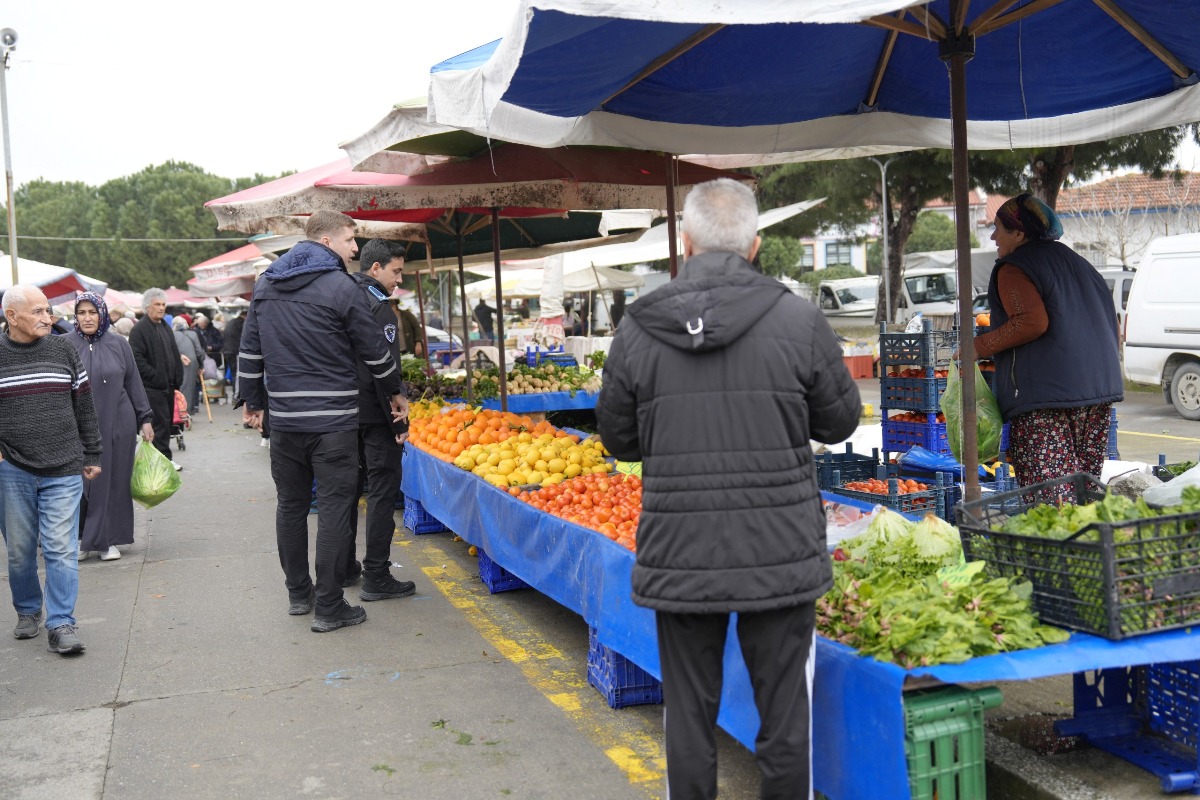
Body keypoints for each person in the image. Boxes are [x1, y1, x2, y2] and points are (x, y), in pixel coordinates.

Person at [595, 178, 861, 800]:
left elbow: (620, 440)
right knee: (785, 720)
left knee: (687, 715)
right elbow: (839, 421)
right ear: (756, 244)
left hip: (680, 549)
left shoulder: (637, 327)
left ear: (684, 243)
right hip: (780, 550)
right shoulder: (798, 317)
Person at [238, 211, 407, 634]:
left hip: (284, 422)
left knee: (291, 507)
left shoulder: (267, 285)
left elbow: (250, 349)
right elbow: (373, 350)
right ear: (327, 241)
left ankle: (299, 594)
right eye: (351, 240)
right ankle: (330, 606)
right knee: (334, 509)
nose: (355, 248)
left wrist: (253, 401)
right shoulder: (340, 286)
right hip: (332, 421)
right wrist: (395, 392)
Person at [973, 193, 1123, 503]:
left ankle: (1060, 550)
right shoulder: (1082, 265)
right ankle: (1088, 548)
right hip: (1098, 393)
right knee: (1084, 491)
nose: (993, 236)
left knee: (1051, 500)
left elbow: (1030, 321)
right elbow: (1112, 325)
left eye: (999, 228)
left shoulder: (1014, 267)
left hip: (1047, 399)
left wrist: (980, 345)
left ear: (1019, 232)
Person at [0, 285, 104, 655]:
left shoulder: (63, 349)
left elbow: (84, 403)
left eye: (49, 311)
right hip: (12, 469)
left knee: (60, 548)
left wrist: (92, 452)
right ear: (12, 317)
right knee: (20, 550)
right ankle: (28, 609)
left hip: (63, 465)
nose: (49, 318)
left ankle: (61, 622)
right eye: (39, 312)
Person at [339, 238, 417, 601]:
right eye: (396, 271)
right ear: (375, 268)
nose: (398, 279)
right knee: (383, 492)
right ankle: (377, 575)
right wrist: (399, 419)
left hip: (344, 414)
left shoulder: (343, 297)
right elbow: (384, 368)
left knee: (344, 493)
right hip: (375, 415)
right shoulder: (379, 307)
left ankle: (342, 567)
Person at [69, 293, 155, 563]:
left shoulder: (119, 344)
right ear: (76, 316)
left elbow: (134, 383)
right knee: (82, 483)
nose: (87, 317)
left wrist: (146, 417)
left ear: (102, 314)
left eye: (92, 312)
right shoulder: (64, 345)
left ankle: (108, 540)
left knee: (115, 481)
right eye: (82, 312)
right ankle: (83, 538)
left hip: (119, 423)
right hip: (79, 427)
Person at [129, 288, 185, 469]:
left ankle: (162, 459)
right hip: (151, 387)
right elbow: (137, 359)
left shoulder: (164, 326)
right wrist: (156, 376)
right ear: (147, 307)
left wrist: (177, 376)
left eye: (163, 305)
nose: (161, 308)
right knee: (159, 424)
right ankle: (163, 461)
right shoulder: (139, 329)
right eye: (157, 304)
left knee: (166, 423)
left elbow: (173, 352)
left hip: (168, 386)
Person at [172, 317, 204, 414]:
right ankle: (186, 411)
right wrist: (201, 365)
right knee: (189, 387)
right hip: (191, 362)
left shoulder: (172, 334)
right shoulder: (193, 334)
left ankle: (177, 411)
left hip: (176, 361)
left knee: (178, 386)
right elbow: (199, 351)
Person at [222, 311, 245, 398]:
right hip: (235, 351)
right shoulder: (240, 323)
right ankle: (236, 394)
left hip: (227, 350)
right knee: (237, 373)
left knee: (233, 372)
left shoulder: (231, 322)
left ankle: (235, 393)